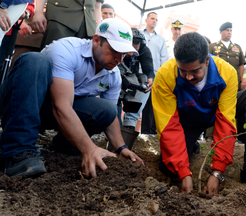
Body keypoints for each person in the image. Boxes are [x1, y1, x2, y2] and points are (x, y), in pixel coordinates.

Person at [0, 18, 143, 179]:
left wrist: (121, 148)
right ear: (96, 40)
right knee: (35, 60)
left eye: (123, 53)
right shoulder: (66, 50)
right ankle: (17, 151)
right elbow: (61, 106)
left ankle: (65, 146)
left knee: (107, 109)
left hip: (52, 113)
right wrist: (89, 148)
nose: (119, 59)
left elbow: (110, 118)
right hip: (24, 104)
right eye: (115, 51)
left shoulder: (113, 74)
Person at [152, 32, 246, 195]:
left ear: (207, 60)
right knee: (167, 167)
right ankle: (191, 144)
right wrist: (184, 172)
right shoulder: (165, 75)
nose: (188, 77)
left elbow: (226, 122)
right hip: (188, 120)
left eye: (195, 71)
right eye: (182, 71)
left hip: (216, 113)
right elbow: (168, 126)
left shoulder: (226, 72)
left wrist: (217, 172)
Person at [31, 0, 103, 49]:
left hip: (88, 25)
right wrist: (38, 12)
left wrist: (98, 30)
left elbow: (97, 5)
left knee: (83, 64)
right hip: (61, 18)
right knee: (54, 57)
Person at [141, 12, 169, 134]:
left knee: (151, 106)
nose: (154, 21)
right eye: (152, 18)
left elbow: (164, 59)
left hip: (155, 76)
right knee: (136, 103)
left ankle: (149, 133)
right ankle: (130, 129)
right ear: (146, 20)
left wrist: (160, 77)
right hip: (138, 74)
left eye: (156, 19)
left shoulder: (161, 39)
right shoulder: (138, 34)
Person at [121, 28, 154, 131]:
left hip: (132, 78)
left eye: (136, 42)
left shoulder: (144, 50)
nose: (133, 45)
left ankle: (129, 124)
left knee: (146, 87)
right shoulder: (118, 48)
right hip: (115, 78)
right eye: (131, 41)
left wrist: (149, 79)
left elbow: (148, 69)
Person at [209, 22, 245, 92]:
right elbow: (208, 64)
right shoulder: (212, 47)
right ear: (220, 32)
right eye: (227, 30)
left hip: (234, 81)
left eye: (230, 30)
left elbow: (241, 65)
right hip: (219, 80)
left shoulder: (237, 47)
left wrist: (241, 80)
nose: (229, 32)